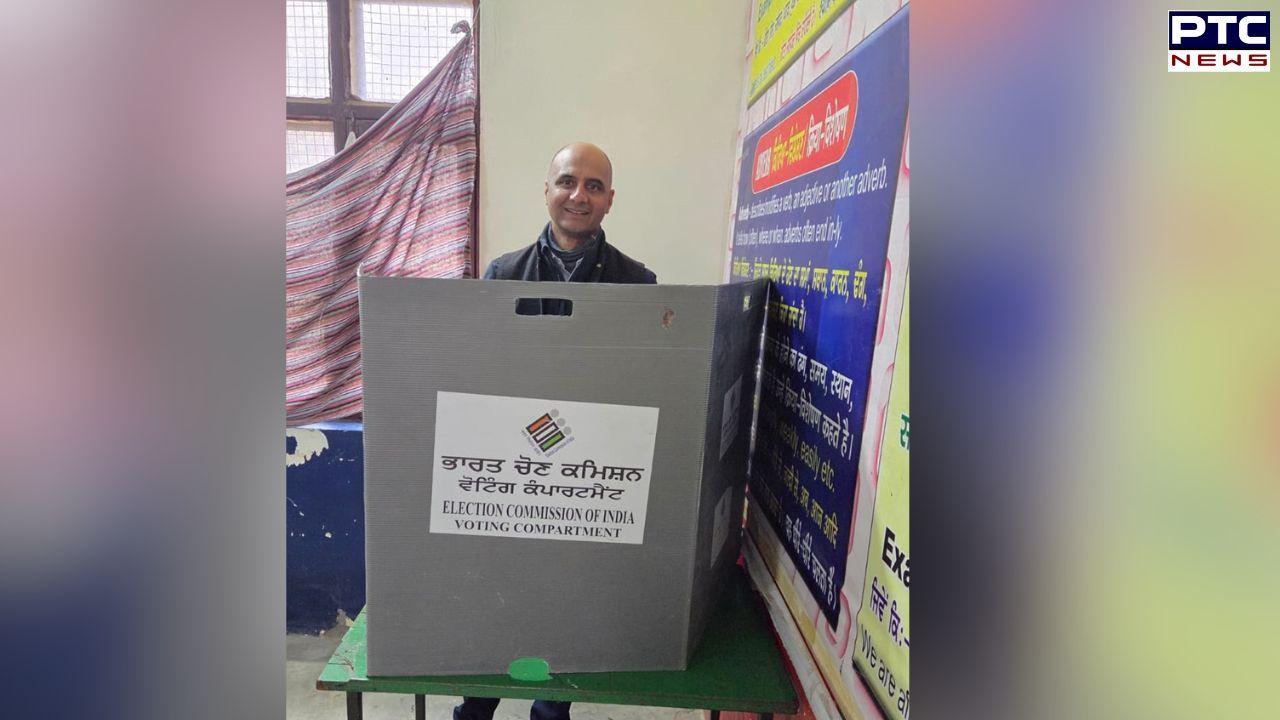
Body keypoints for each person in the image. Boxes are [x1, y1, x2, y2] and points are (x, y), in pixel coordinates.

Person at [456, 142, 655, 720]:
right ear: (546, 190)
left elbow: (641, 385)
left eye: (594, 186)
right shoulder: (503, 275)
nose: (578, 195)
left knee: (570, 602)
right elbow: (480, 375)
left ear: (610, 200)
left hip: (587, 478)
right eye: (567, 181)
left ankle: (551, 711)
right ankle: (477, 708)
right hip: (514, 472)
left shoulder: (638, 285)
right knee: (500, 597)